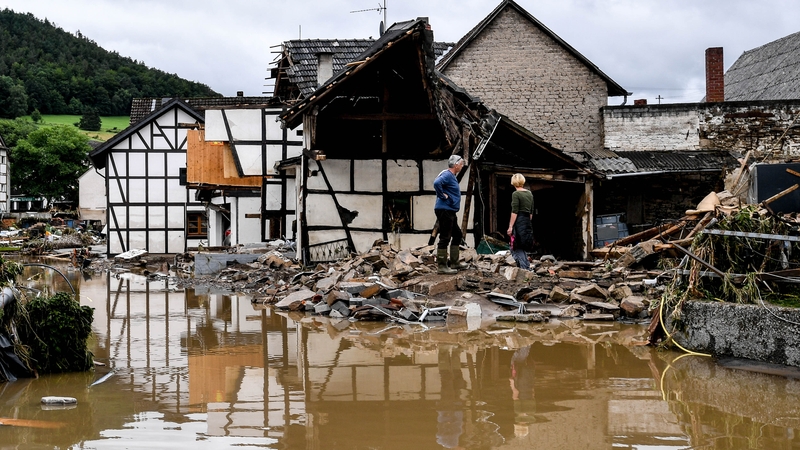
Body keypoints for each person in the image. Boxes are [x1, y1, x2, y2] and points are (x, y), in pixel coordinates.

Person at [433, 155, 468, 274]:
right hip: (445, 210)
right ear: (456, 164)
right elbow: (437, 183)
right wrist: (442, 196)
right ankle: (442, 266)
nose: (462, 166)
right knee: (445, 236)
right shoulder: (447, 175)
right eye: (461, 164)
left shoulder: (451, 176)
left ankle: (454, 262)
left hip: (450, 210)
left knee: (457, 235)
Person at [506, 173, 532, 270]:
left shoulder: (516, 194)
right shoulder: (529, 194)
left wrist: (511, 226)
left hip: (518, 220)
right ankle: (526, 266)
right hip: (527, 221)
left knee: (515, 245)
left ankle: (524, 268)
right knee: (522, 244)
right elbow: (531, 213)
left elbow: (515, 211)